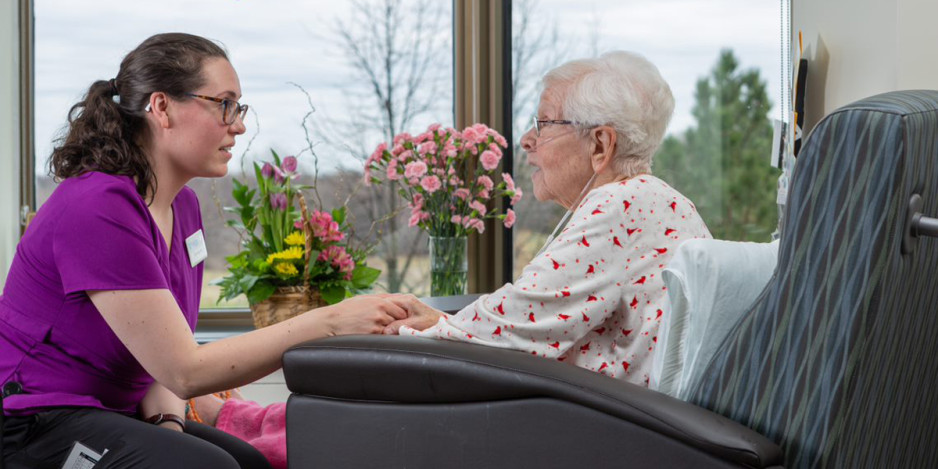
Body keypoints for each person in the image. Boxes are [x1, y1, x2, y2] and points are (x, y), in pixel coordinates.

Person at [187, 50, 713, 466]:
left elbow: (519, 327)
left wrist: (402, 329)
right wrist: (439, 320)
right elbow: (536, 318)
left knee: (400, 374)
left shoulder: (624, 203)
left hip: (593, 419)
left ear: (600, 143)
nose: (526, 141)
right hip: (587, 406)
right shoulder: (641, 201)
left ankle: (234, 422)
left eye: (545, 123)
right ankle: (240, 419)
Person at [0, 32, 420, 469]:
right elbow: (187, 369)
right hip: (32, 421)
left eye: (238, 108)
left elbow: (158, 358)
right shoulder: (97, 207)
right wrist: (331, 321)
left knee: (248, 461)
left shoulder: (183, 207)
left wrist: (167, 425)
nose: (237, 124)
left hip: (107, 412)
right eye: (224, 104)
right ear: (161, 108)